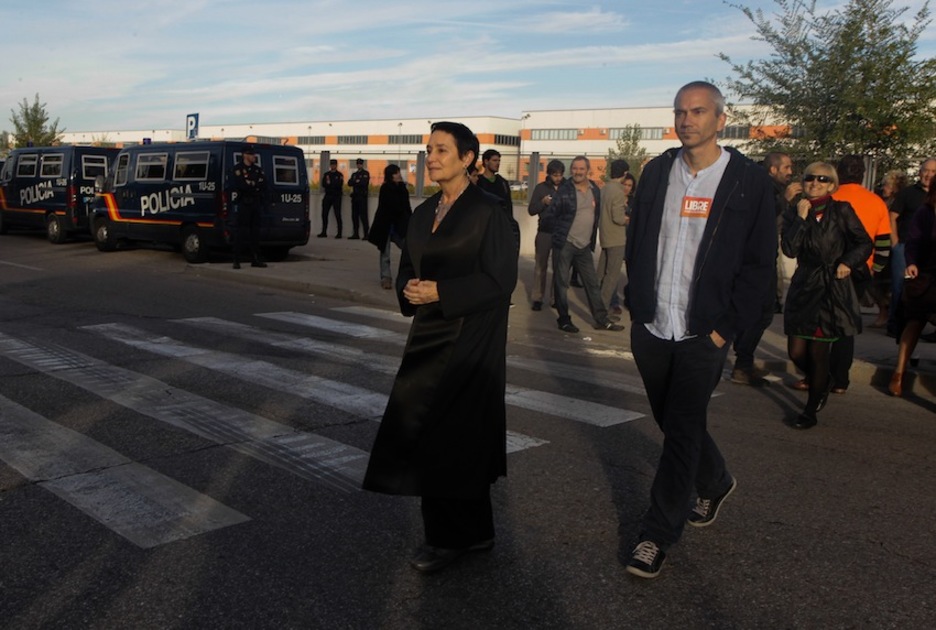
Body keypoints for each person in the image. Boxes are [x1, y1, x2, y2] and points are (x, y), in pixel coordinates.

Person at [623, 81, 776, 579]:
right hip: (652, 325)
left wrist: (724, 330)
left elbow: (758, 267)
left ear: (719, 119)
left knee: (682, 429)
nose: (686, 120)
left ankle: (655, 533)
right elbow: (638, 241)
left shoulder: (747, 182)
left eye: (697, 111)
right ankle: (716, 480)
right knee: (673, 422)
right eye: (680, 112)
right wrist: (634, 304)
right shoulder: (657, 172)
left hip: (703, 333)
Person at [362, 121, 518, 575]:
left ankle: (447, 539)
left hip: (471, 339)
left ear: (468, 158)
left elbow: (499, 281)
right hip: (428, 337)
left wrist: (442, 294)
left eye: (443, 150)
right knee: (439, 435)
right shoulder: (422, 211)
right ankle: (476, 532)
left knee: (453, 438)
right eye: (429, 149)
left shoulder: (489, 211)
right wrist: (410, 288)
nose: (432, 157)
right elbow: (411, 265)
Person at [781, 162, 872, 429]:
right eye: (810, 178)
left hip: (832, 289)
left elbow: (863, 242)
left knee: (819, 353)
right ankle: (823, 382)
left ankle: (810, 409)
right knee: (797, 352)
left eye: (822, 179)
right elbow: (789, 249)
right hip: (804, 286)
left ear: (832, 184)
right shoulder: (795, 211)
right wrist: (799, 218)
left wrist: (847, 262)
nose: (815, 183)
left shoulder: (841, 210)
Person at [729, 151, 798, 385]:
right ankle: (742, 361)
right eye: (787, 167)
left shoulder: (772, 189)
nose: (791, 172)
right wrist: (785, 200)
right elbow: (763, 216)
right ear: (773, 170)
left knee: (763, 310)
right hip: (756, 259)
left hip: (764, 256)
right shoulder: (765, 189)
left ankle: (743, 359)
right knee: (762, 311)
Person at [826, 155, 891, 393]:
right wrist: (876, 271)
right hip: (860, 271)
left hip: (829, 269)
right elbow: (883, 243)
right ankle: (841, 380)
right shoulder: (876, 202)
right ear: (863, 175)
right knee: (846, 326)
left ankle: (820, 374)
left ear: (838, 172)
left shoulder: (830, 197)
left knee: (823, 324)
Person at [546, 156, 624, 333]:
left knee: (592, 284)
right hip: (566, 244)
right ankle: (564, 319)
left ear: (587, 170)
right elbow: (551, 215)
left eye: (581, 169)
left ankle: (601, 320)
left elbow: (595, 216)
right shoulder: (564, 190)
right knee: (562, 283)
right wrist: (561, 235)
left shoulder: (594, 190)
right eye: (574, 168)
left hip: (584, 246)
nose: (577, 172)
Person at [888, 184, 936, 396]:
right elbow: (914, 241)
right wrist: (911, 262)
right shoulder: (925, 212)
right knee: (914, 321)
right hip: (925, 273)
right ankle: (899, 373)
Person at [887, 158, 936, 336]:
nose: (928, 175)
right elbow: (892, 216)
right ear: (919, 172)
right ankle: (895, 325)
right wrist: (895, 244)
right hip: (905, 247)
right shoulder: (908, 193)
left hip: (930, 253)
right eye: (926, 170)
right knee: (900, 286)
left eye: (933, 172)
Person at [527, 160, 565, 311]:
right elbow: (531, 210)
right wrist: (543, 202)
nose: (558, 178)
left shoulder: (566, 188)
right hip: (544, 231)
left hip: (560, 232)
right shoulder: (541, 188)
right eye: (555, 175)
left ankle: (555, 298)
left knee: (559, 268)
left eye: (560, 175)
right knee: (540, 266)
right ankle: (537, 297)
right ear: (549, 174)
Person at [367, 164, 411, 290]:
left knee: (407, 249)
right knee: (385, 253)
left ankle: (408, 276)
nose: (399, 175)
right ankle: (386, 278)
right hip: (386, 225)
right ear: (391, 176)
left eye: (398, 172)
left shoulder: (403, 189)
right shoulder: (386, 189)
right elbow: (388, 208)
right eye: (396, 173)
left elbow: (406, 208)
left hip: (400, 226)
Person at [597, 159, 630, 311]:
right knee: (612, 276)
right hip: (616, 238)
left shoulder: (604, 188)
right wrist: (627, 219)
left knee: (601, 274)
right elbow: (617, 218)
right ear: (624, 173)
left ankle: (597, 304)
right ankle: (602, 310)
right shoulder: (618, 191)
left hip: (604, 235)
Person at [230, 144, 267, 269]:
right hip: (244, 203)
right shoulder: (238, 169)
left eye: (253, 154)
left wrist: (252, 185)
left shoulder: (257, 169)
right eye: (251, 154)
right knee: (241, 232)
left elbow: (263, 184)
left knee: (255, 233)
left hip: (256, 203)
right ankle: (236, 259)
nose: (253, 156)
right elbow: (242, 186)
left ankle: (255, 259)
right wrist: (253, 185)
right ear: (245, 155)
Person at [318, 159, 344, 238]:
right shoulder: (327, 174)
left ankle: (339, 233)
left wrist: (330, 184)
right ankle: (324, 232)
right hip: (328, 196)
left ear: (336, 165)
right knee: (324, 214)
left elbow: (339, 185)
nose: (333, 166)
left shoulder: (339, 175)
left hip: (336, 196)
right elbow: (323, 184)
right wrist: (330, 184)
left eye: (334, 165)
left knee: (337, 214)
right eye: (332, 164)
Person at [348, 158, 371, 240]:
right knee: (354, 216)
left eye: (360, 164)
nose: (359, 165)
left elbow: (364, 183)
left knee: (363, 216)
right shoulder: (354, 174)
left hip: (362, 198)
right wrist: (356, 182)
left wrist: (356, 182)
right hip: (355, 197)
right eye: (358, 164)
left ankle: (366, 234)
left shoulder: (366, 173)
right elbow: (349, 183)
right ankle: (355, 234)